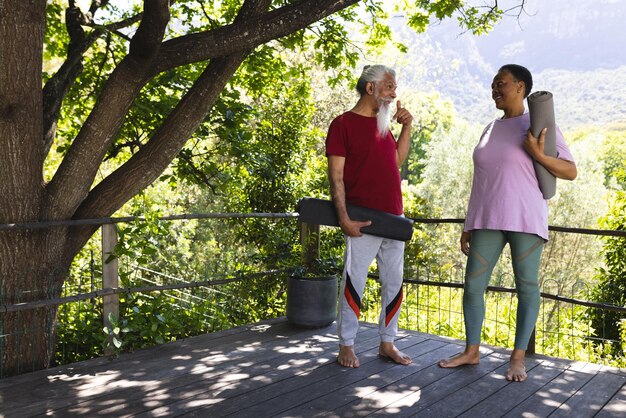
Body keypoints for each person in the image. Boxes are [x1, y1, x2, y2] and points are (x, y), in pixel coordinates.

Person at [438, 64, 577, 381]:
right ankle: (471, 351)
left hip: (525, 218)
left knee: (526, 287)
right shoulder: (489, 128)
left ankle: (518, 358)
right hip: (487, 219)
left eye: (501, 83)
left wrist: (538, 154)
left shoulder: (538, 124)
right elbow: (480, 181)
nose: (494, 89)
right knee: (473, 285)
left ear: (521, 87)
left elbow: (570, 170)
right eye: (492, 85)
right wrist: (468, 223)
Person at [326, 65, 414, 368]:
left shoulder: (382, 125)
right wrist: (344, 219)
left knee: (394, 282)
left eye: (394, 86)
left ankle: (387, 342)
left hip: (394, 219)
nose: (394, 93)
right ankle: (346, 345)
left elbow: (396, 161)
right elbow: (335, 177)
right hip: (361, 220)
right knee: (354, 281)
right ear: (370, 88)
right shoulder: (342, 124)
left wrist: (407, 128)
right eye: (389, 86)